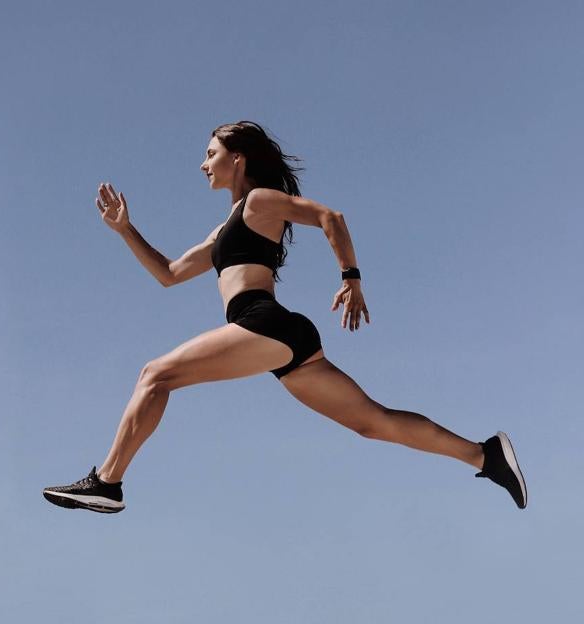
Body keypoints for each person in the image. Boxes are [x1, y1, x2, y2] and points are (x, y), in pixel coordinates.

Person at [43, 120, 527, 513]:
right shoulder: (226, 228)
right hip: (280, 340)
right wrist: (126, 230)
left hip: (262, 324)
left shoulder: (259, 200)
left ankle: (108, 482)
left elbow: (330, 217)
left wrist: (351, 277)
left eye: (210, 154)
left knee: (155, 375)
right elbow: (169, 273)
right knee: (373, 423)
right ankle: (485, 455)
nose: (202, 164)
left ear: (238, 159)